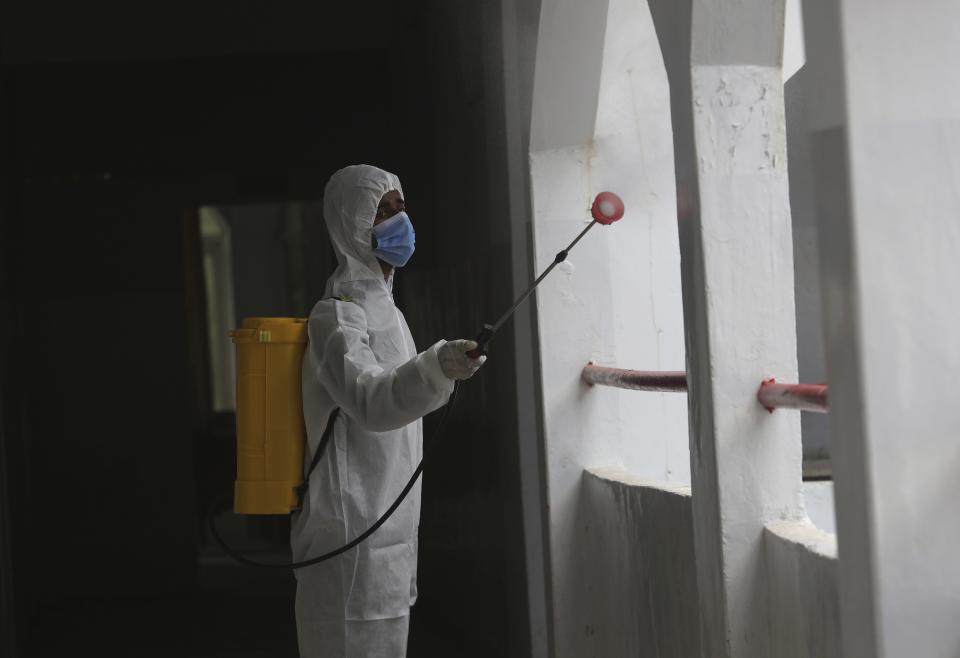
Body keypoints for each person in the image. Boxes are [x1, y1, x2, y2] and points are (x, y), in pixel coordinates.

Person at [291, 164, 485, 657]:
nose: (400, 219)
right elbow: (371, 403)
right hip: (347, 539)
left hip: (389, 540)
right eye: (383, 209)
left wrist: (442, 368)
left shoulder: (389, 314)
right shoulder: (335, 316)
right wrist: (435, 367)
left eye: (401, 206)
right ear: (352, 223)